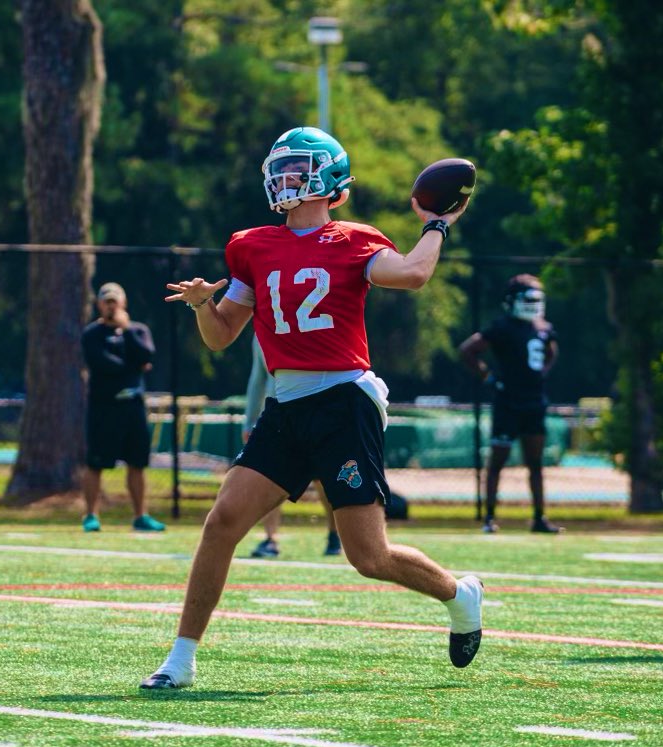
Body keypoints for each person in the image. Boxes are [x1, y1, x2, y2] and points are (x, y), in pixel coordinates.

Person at [140, 126, 482, 689]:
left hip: (344, 398)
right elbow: (222, 335)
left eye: (298, 168)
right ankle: (179, 660)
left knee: (368, 557)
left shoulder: (354, 239)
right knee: (222, 520)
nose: (284, 177)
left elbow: (415, 275)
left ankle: (459, 593)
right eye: (280, 167)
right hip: (287, 401)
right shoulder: (250, 245)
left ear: (329, 180)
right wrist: (204, 304)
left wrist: (436, 226)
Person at [458, 274, 561, 534]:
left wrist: (540, 374)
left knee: (535, 463)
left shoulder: (544, 328)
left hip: (534, 403)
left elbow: (551, 352)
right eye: (528, 297)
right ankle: (489, 517)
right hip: (508, 403)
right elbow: (468, 350)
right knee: (498, 462)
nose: (533, 303)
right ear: (513, 301)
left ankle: (539, 517)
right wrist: (489, 378)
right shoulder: (502, 327)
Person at [244, 333, 342, 557]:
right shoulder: (260, 332)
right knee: (270, 476)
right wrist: (249, 421)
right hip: (276, 415)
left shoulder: (300, 326)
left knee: (322, 480)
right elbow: (257, 377)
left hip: (312, 411)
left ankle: (334, 533)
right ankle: (270, 539)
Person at [80, 282, 166, 533]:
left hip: (133, 407)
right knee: (95, 463)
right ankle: (90, 515)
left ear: (123, 303)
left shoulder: (137, 330)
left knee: (137, 463)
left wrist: (126, 328)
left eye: (114, 300)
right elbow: (105, 364)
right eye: (106, 301)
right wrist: (133, 365)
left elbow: (146, 355)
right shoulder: (92, 334)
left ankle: (141, 516)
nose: (110, 305)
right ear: (99, 304)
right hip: (103, 407)